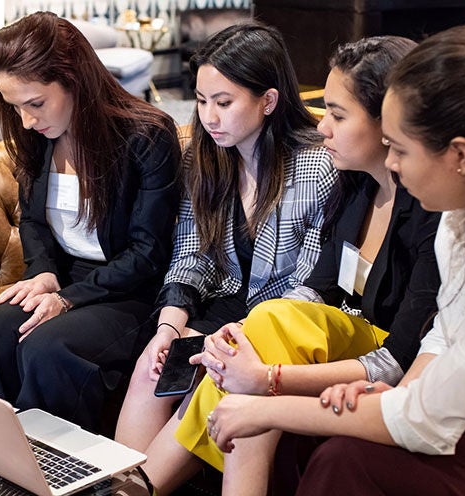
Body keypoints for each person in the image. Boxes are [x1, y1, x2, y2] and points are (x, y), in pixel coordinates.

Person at [204, 27, 465, 495]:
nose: (394, 165)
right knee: (304, 442)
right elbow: (445, 333)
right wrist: (400, 390)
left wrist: (266, 400)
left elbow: (429, 421)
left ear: (460, 155)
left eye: (402, 149)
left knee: (344, 460)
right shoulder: (461, 213)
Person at [133, 36, 442, 495]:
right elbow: (315, 289)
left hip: (401, 363)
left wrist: (267, 375)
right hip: (341, 337)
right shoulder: (355, 186)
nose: (324, 128)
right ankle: (131, 483)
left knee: (263, 342)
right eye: (201, 101)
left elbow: (400, 359)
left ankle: (138, 486)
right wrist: (245, 335)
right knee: (247, 335)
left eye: (338, 115)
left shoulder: (430, 210)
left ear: (389, 121)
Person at [115, 22, 337, 459]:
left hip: (273, 325)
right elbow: (190, 255)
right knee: (151, 366)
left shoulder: (316, 168)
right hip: (220, 304)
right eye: (200, 100)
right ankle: (119, 486)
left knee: (206, 376)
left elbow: (310, 290)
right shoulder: (206, 157)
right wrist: (169, 326)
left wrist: (230, 341)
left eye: (223, 102)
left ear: (268, 101)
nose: (208, 117)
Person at [0, 12, 180, 431]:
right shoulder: (35, 133)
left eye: (35, 103)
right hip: (66, 275)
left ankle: (56, 469)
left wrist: (69, 298)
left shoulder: (148, 136)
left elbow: (147, 253)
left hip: (132, 292)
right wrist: (44, 273)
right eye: (15, 106)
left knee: (47, 347)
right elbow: (32, 221)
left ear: (74, 80)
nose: (26, 119)